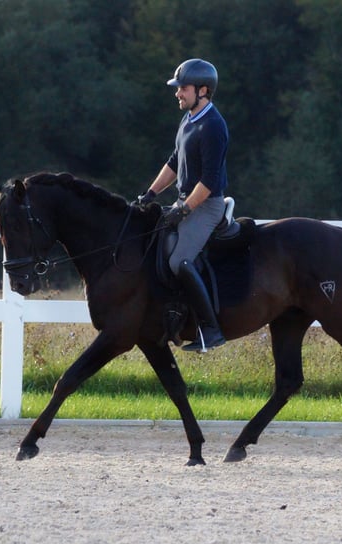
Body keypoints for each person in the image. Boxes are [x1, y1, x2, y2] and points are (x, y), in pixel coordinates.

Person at [138, 58, 229, 352]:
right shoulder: (188, 120)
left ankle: (211, 330)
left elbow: (210, 181)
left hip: (207, 206)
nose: (178, 93)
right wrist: (150, 194)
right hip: (186, 200)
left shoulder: (213, 125)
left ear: (203, 90)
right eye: (178, 88)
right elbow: (175, 162)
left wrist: (184, 210)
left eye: (183, 88)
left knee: (179, 261)